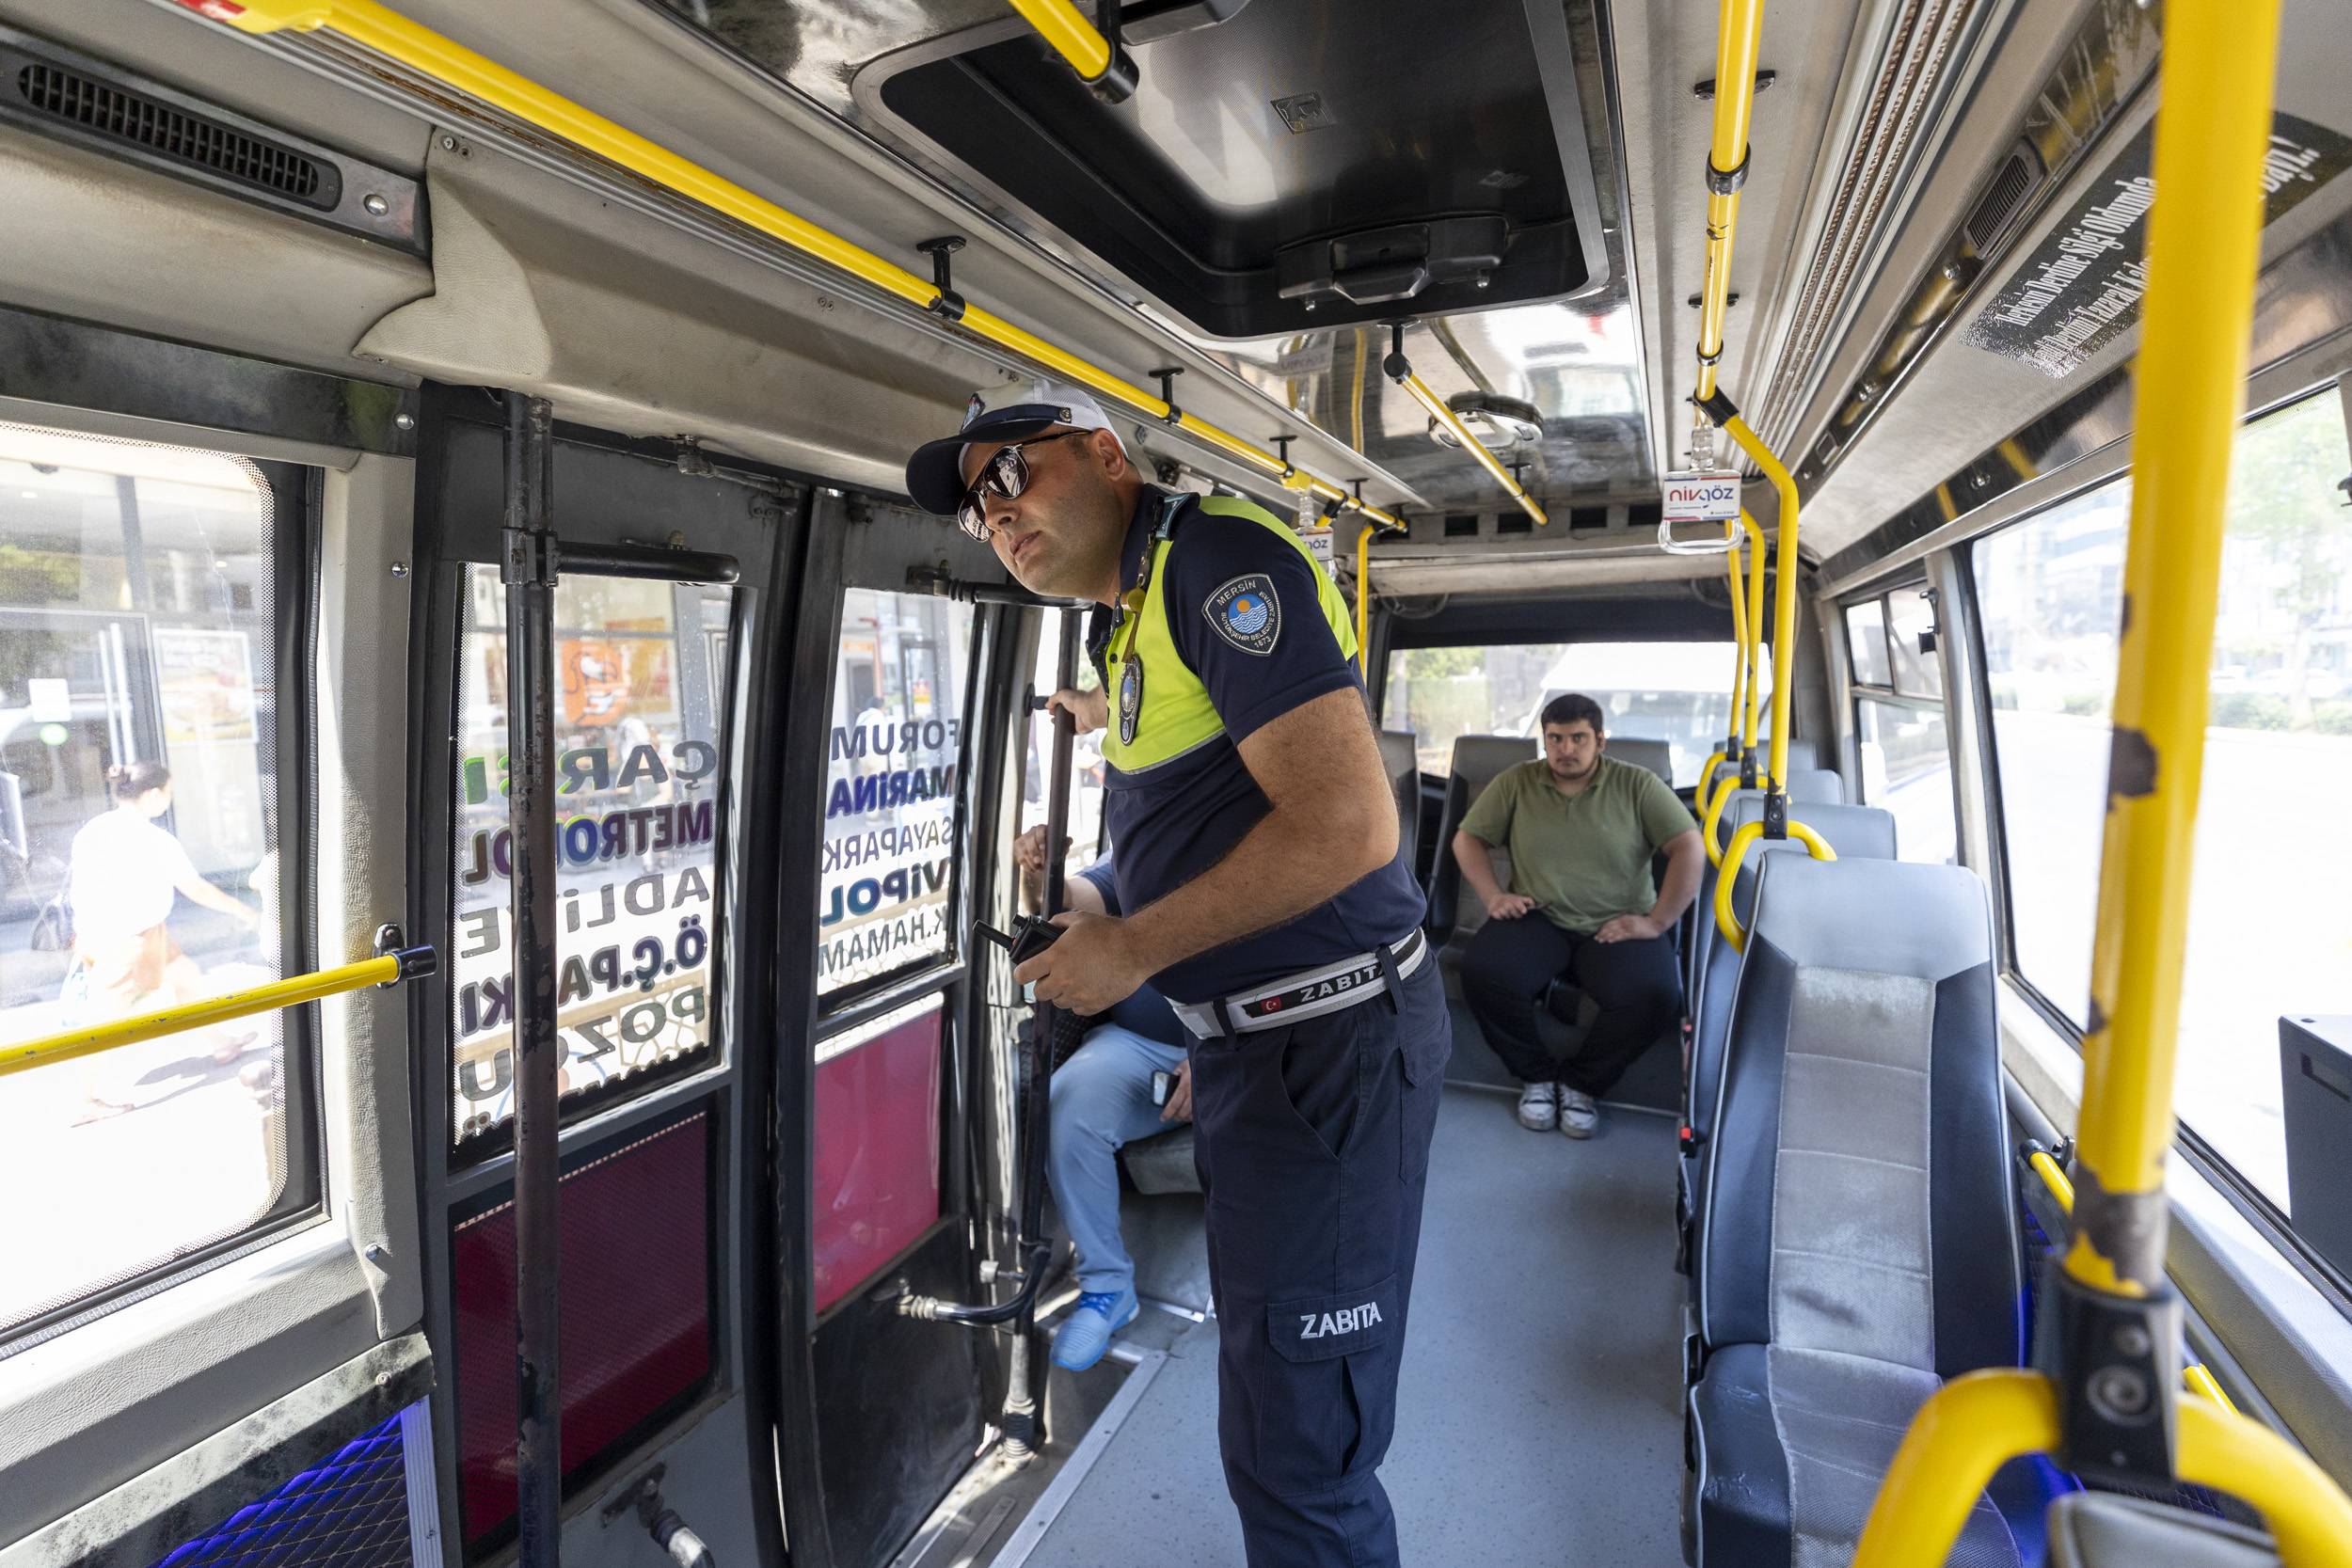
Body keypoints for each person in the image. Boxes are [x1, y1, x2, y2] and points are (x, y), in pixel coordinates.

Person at [908, 377, 1445, 1568]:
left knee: (1301, 1444)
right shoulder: (1131, 612)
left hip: (1330, 1042)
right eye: (973, 513)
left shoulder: (1217, 563)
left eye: (1008, 474)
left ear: (1105, 454)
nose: (995, 517)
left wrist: (1135, 951)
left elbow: (1350, 824)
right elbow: (1176, 824)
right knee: (1270, 1403)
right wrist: (1098, 899)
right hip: (1252, 1043)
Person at [1452, 693, 1703, 1137]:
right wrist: (1493, 898)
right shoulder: (1517, 782)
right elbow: (1466, 839)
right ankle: (1537, 1077)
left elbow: (1689, 847)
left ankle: (1582, 1084)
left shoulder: (1637, 785)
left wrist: (1657, 922)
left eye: (1579, 738)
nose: (1567, 749)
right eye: (1556, 739)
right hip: (1539, 915)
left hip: (1617, 923)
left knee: (1657, 996)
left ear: (1601, 740)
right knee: (1482, 971)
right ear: (1545, 740)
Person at [1014, 825, 1193, 1372]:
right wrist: (1039, 871)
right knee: (1068, 1102)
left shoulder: (1268, 846)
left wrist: (1222, 1056)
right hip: (1140, 1044)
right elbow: (1075, 905)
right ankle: (1107, 1285)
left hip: (1245, 1041)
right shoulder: (1148, 843)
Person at [68, 760, 264, 1120]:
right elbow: (196, 889)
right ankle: (83, 1101)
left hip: (118, 933)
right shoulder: (155, 840)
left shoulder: (94, 830)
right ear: (153, 794)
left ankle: (220, 1044)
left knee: (187, 977)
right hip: (128, 942)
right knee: (101, 1024)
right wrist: (242, 910)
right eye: (168, 793)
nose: (169, 800)